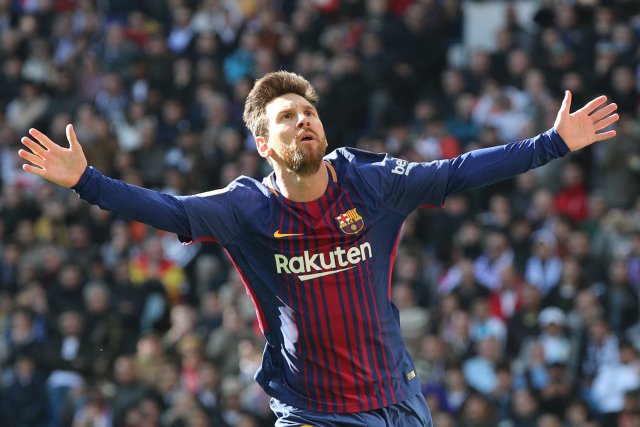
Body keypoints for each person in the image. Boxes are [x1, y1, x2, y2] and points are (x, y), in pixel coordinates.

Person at [18, 70, 618, 426]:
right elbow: (171, 211)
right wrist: (86, 183)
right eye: (286, 117)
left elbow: (456, 171)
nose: (303, 120)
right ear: (263, 143)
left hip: (398, 403)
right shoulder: (244, 208)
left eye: (308, 111)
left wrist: (550, 144)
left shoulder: (372, 183)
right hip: (317, 414)